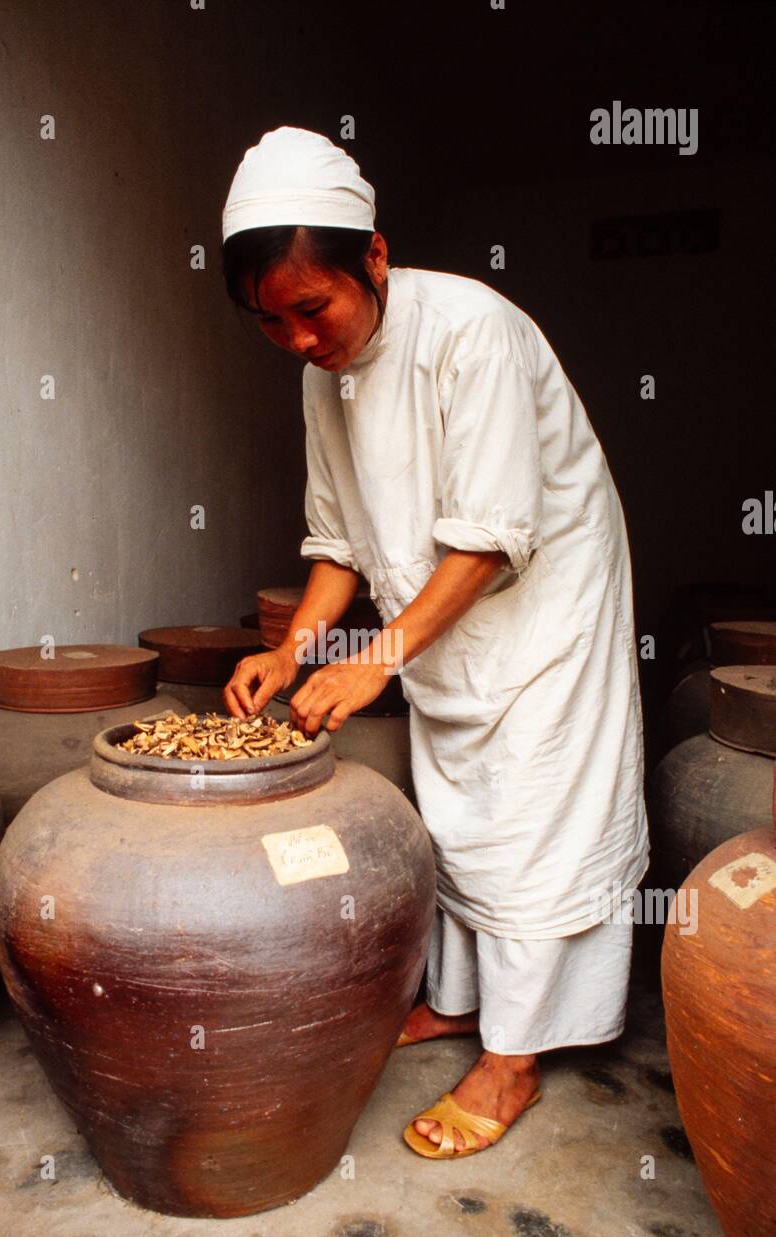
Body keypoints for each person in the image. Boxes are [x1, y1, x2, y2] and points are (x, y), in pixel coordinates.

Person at [220, 127, 649, 1160]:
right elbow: (341, 542)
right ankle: (466, 1006)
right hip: (436, 617)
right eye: (269, 322)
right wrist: (296, 651)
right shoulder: (322, 372)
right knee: (458, 811)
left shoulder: (471, 331)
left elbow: (495, 533)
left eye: (309, 310)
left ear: (371, 256)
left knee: (534, 820)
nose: (295, 339)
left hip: (544, 604)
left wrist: (373, 658)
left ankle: (514, 1062)